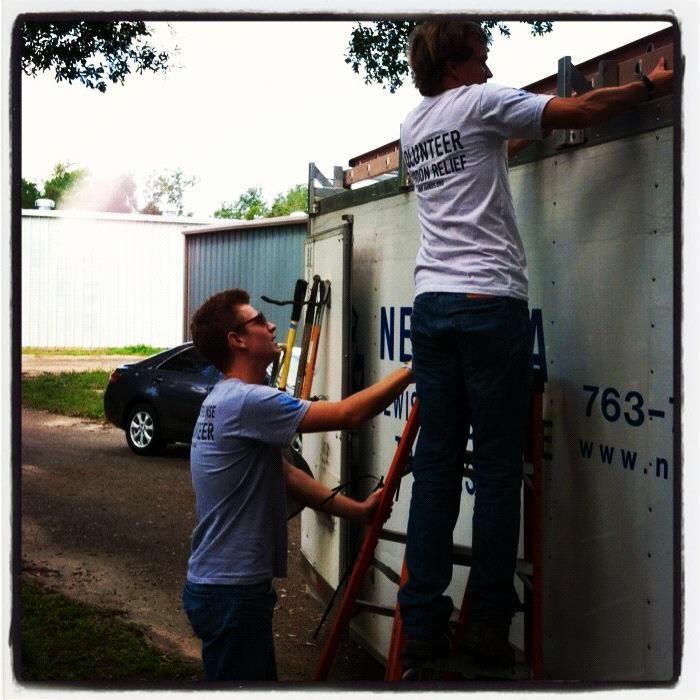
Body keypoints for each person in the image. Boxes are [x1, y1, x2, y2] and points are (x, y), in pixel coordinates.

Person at [396, 21, 673, 669]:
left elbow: (480, 159)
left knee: (435, 465)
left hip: (432, 304)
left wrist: (510, 141)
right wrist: (648, 85)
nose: (491, 65)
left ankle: (423, 624)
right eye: (483, 53)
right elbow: (577, 108)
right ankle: (488, 624)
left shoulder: (414, 125)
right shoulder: (483, 102)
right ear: (457, 59)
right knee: (495, 467)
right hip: (489, 301)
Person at [181, 288, 413, 681]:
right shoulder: (246, 402)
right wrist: (414, 367)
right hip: (232, 592)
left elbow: (286, 476)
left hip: (222, 587)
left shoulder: (225, 399)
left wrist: (356, 510)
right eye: (257, 321)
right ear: (237, 340)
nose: (271, 325)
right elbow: (349, 414)